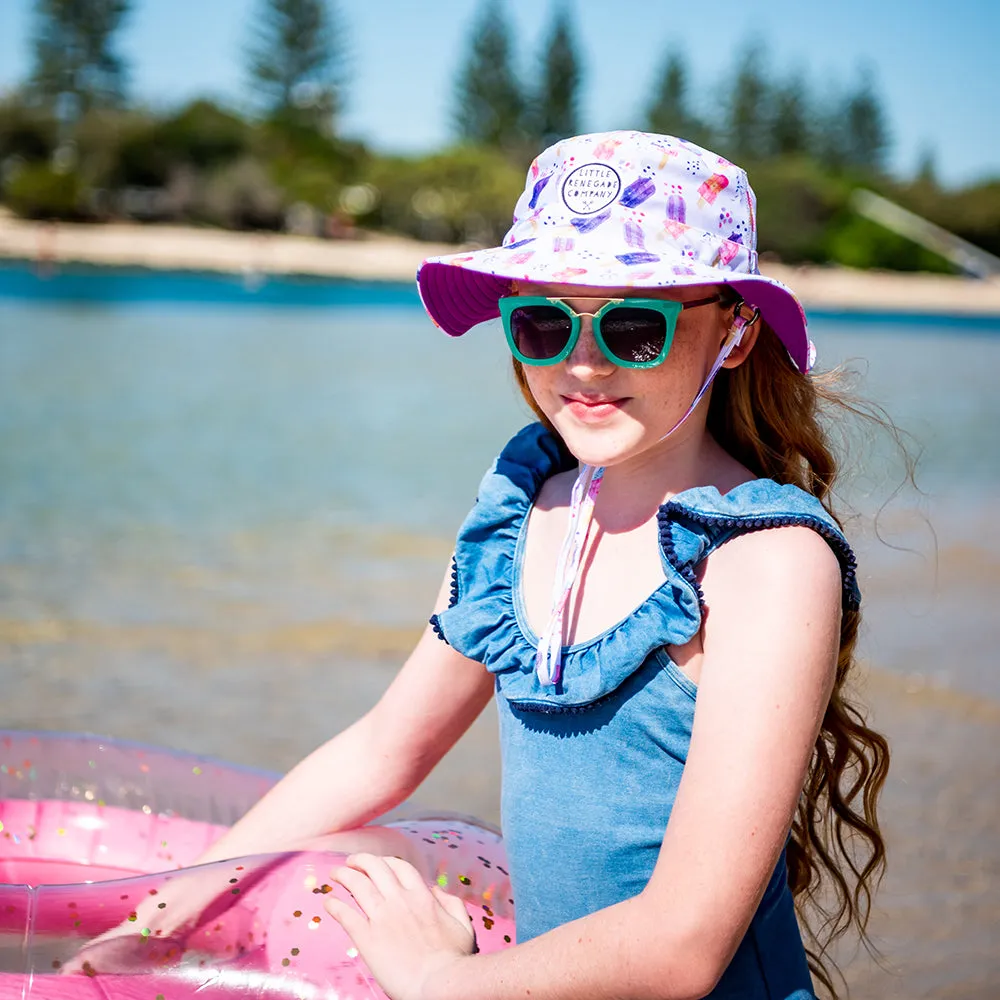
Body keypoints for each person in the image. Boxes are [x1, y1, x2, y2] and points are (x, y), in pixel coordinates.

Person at [77, 131, 891, 1000]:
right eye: (543, 321)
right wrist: (149, 923)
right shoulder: (523, 510)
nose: (583, 363)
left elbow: (682, 944)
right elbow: (383, 750)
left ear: (733, 333)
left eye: (633, 324)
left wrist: (435, 981)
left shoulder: (763, 561)